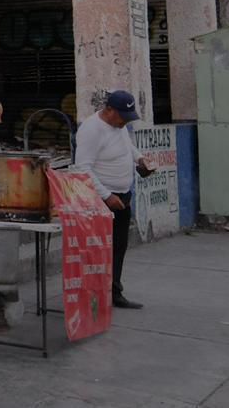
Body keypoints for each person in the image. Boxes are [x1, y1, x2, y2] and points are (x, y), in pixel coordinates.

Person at [74, 90, 154, 310]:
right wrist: (106, 196)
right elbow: (83, 167)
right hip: (101, 198)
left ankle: (114, 292)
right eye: (122, 117)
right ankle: (94, 294)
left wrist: (140, 159)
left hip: (122, 195)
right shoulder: (91, 130)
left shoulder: (119, 126)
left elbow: (126, 146)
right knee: (97, 249)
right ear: (108, 110)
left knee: (118, 246)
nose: (124, 122)